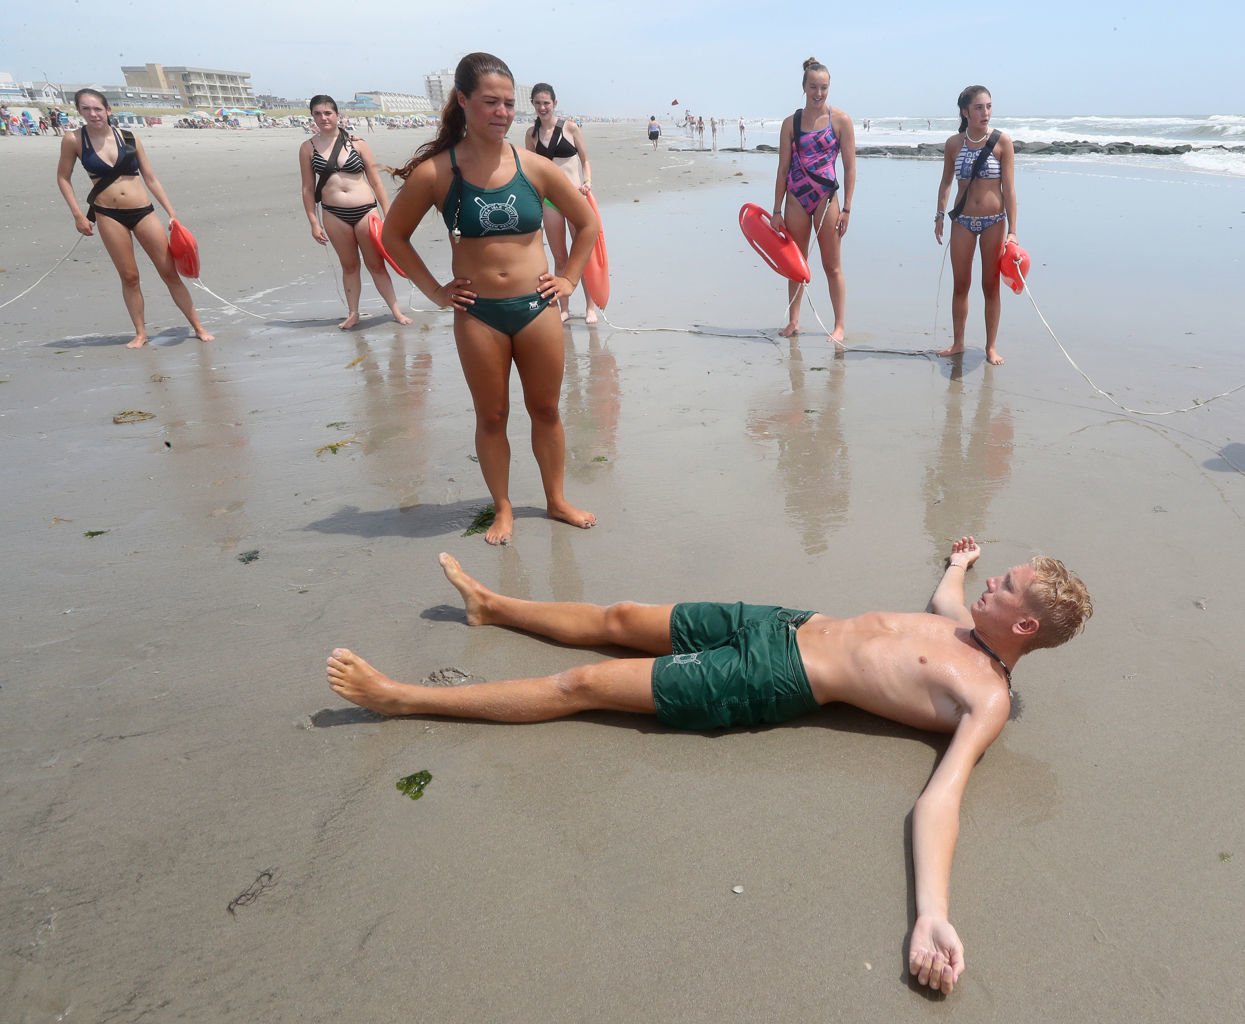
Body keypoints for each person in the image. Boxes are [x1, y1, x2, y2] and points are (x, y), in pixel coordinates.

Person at [327, 536, 1092, 995]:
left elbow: (941, 801)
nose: (989, 583)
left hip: (769, 678)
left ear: (1024, 624)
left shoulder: (984, 698)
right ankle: (493, 607)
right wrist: (959, 563)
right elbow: (943, 595)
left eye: (1003, 585)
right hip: (780, 623)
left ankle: (401, 699)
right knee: (621, 618)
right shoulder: (963, 625)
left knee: (584, 685)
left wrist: (931, 912)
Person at [381, 53, 598, 546]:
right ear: (463, 101)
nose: (502, 112)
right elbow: (393, 236)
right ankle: (503, 507)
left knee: (546, 410)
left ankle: (556, 499)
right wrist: (435, 291)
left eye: (508, 103)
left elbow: (587, 223)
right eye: (490, 102)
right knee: (492, 416)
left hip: (536, 308)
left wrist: (568, 279)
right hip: (478, 315)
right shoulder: (437, 173)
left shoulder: (534, 167)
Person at [55, 88, 214, 348]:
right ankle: (140, 333)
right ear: (79, 111)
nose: (93, 114)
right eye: (86, 109)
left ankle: (198, 326)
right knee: (129, 277)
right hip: (108, 214)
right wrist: (77, 215)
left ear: (108, 110)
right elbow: (63, 177)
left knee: (169, 272)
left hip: (143, 211)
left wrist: (171, 213)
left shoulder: (129, 137)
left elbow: (150, 178)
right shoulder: (73, 140)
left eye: (98, 108)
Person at [299, 94, 412, 330]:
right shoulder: (307, 148)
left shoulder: (357, 143)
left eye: (328, 113)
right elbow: (308, 188)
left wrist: (388, 214)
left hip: (366, 212)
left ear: (337, 115)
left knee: (376, 264)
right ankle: (353, 313)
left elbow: (376, 181)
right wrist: (313, 222)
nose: (323, 118)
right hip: (333, 214)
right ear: (312, 117)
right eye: (317, 114)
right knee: (349, 266)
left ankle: (396, 311)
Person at [771, 57, 856, 343]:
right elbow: (783, 167)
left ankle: (839, 325)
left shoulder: (841, 121)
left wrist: (847, 208)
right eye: (813, 87)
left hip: (825, 199)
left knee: (832, 266)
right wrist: (776, 210)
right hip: (796, 198)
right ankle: (794, 321)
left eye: (824, 88)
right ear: (804, 87)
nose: (818, 93)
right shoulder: (790, 123)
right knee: (796, 265)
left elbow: (850, 167)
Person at [934, 85, 1017, 366]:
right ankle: (958, 342)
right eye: (979, 107)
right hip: (963, 222)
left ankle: (990, 347)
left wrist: (1013, 232)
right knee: (961, 284)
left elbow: (1010, 190)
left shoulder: (1003, 142)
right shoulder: (954, 144)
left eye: (989, 106)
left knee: (990, 285)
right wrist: (939, 215)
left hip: (994, 222)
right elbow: (946, 182)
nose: (986, 112)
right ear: (965, 112)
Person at [525, 83, 599, 324]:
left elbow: (585, 160)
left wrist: (587, 182)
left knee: (582, 255)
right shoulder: (531, 134)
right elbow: (532, 170)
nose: (542, 107)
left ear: (554, 103)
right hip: (550, 201)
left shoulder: (570, 127)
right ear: (533, 104)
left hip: (576, 196)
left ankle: (590, 307)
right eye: (538, 103)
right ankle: (564, 308)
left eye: (546, 103)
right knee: (560, 257)